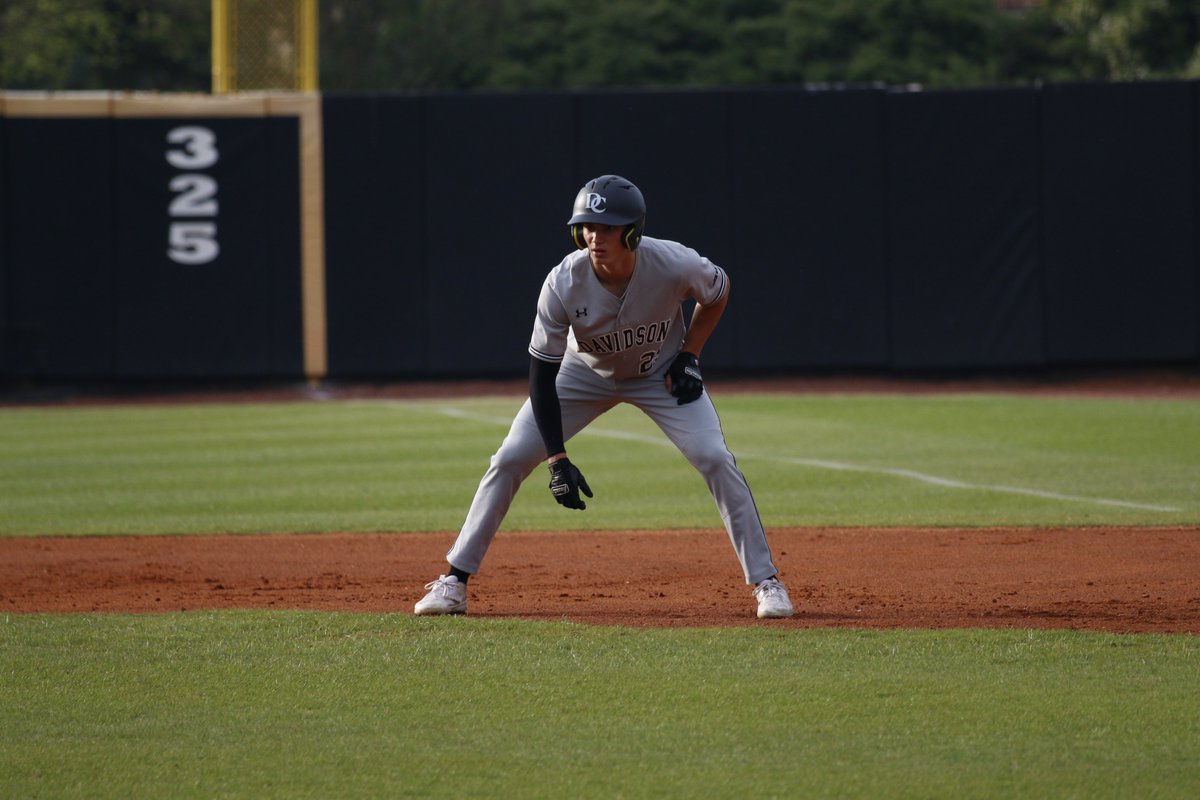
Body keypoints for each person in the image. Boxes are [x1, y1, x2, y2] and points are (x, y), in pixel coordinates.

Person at [414, 174, 793, 619]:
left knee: (713, 456)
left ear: (632, 231)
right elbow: (541, 374)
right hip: (583, 374)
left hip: (658, 374)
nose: (595, 237)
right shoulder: (562, 283)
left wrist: (690, 354)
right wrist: (556, 459)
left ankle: (767, 582)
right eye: (588, 227)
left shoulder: (673, 262)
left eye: (608, 227)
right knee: (511, 457)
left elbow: (718, 291)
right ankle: (454, 581)